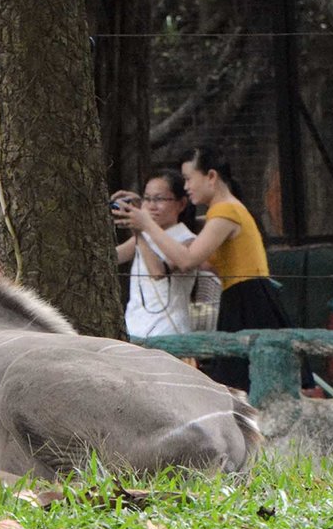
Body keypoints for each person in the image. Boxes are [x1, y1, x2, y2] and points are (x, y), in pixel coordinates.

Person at [113, 146, 314, 392]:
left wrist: (145, 223)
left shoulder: (225, 211)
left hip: (249, 299)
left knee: (253, 385)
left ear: (211, 176)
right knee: (243, 385)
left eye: (188, 179)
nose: (186, 185)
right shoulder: (221, 213)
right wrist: (147, 210)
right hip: (240, 299)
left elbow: (187, 259)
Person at [112, 169, 198, 339]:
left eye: (159, 199)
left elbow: (158, 272)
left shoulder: (189, 239)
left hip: (168, 331)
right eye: (147, 199)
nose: (151, 206)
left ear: (181, 204)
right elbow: (113, 258)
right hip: (133, 329)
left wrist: (140, 231)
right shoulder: (146, 235)